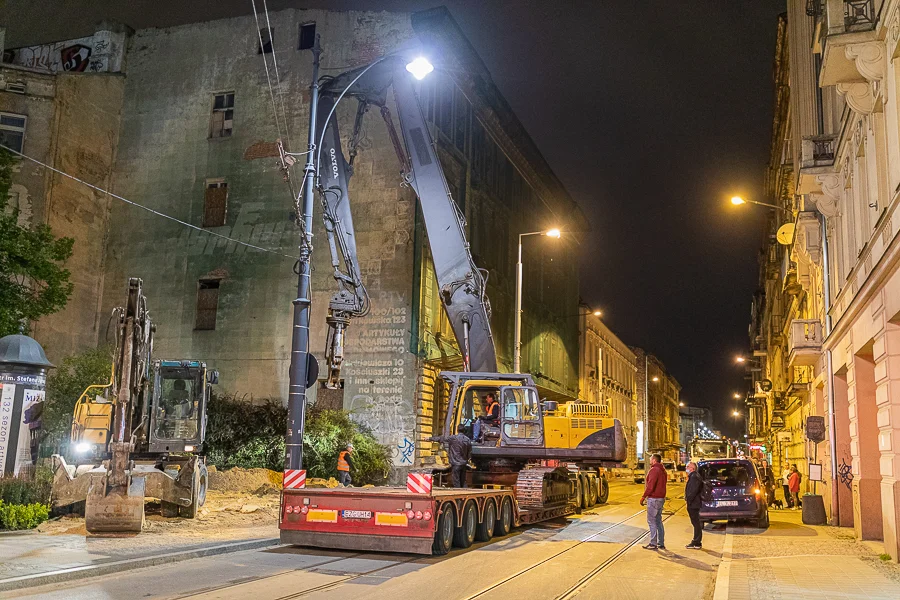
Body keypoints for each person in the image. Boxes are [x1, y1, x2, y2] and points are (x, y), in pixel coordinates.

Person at [640, 453, 667, 551]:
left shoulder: (654, 470)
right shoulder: (663, 470)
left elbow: (650, 486)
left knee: (651, 521)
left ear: (654, 460)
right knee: (659, 521)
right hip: (661, 499)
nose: (650, 461)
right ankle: (661, 543)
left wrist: (643, 497)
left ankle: (653, 543)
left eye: (651, 459)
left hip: (654, 499)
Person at [684, 461, 704, 549]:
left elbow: (692, 491)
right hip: (694, 502)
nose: (686, 468)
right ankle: (697, 541)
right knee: (696, 522)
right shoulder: (694, 476)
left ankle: (696, 542)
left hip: (694, 503)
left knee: (696, 523)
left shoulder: (694, 477)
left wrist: (689, 500)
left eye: (687, 467)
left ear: (692, 468)